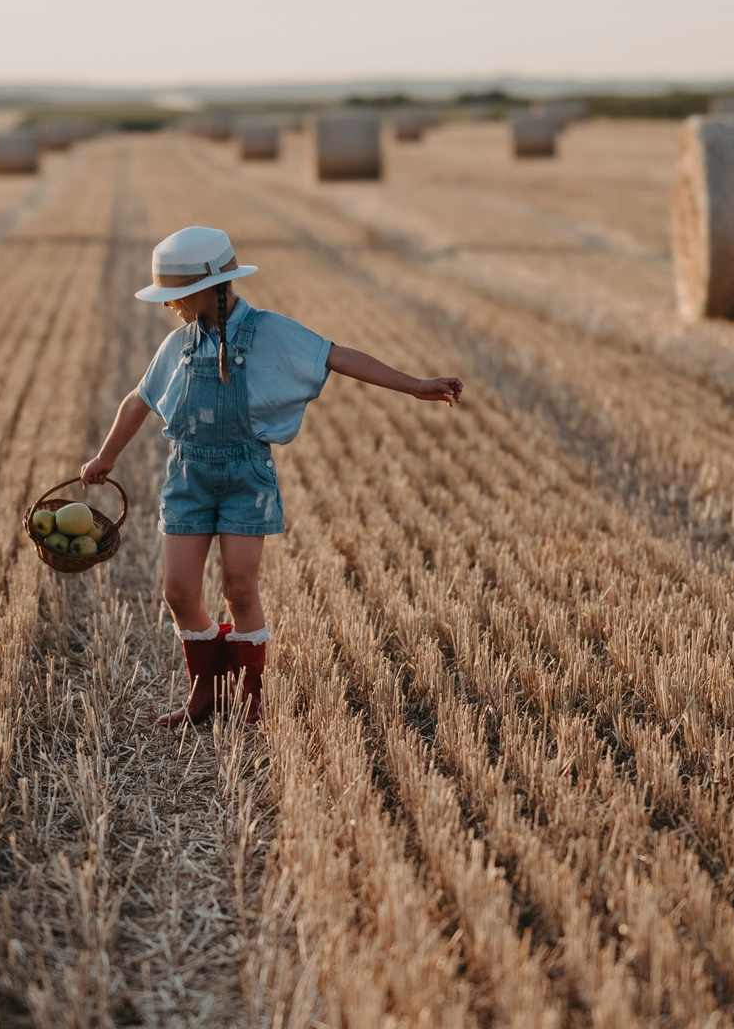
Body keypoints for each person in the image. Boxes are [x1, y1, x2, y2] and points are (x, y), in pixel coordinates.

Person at [79, 225, 463, 727]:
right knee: (178, 593)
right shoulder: (178, 344)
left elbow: (337, 356)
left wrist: (415, 386)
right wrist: (106, 457)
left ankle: (249, 698)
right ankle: (205, 692)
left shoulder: (271, 332)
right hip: (187, 479)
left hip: (245, 478)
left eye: (174, 295)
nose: (168, 306)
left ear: (204, 289)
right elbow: (139, 400)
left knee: (240, 587)